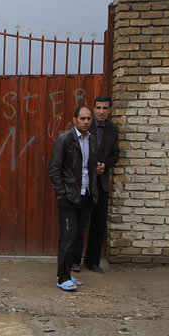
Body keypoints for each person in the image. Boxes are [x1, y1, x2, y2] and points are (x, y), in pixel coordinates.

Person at [48, 106, 98, 291]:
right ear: (74, 119)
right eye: (82, 118)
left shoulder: (91, 140)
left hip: (85, 195)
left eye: (88, 119)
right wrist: (60, 193)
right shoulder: (65, 139)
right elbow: (54, 168)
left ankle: (68, 272)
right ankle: (62, 278)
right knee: (68, 237)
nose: (86, 122)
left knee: (77, 237)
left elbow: (88, 166)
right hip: (69, 196)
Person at [77, 95, 119, 273]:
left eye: (105, 108)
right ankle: (74, 260)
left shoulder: (113, 129)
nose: (102, 111)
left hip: (101, 183)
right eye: (99, 108)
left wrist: (105, 165)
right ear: (94, 109)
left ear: (110, 110)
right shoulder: (85, 125)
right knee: (80, 222)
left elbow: (115, 154)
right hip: (85, 182)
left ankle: (92, 260)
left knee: (98, 223)